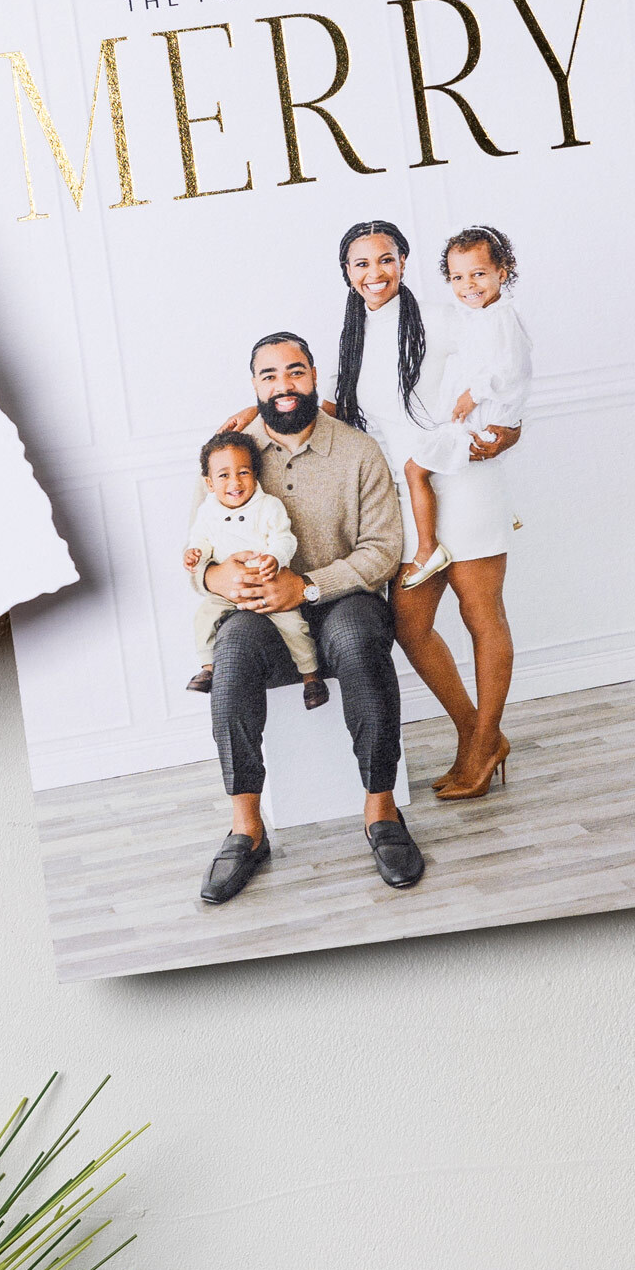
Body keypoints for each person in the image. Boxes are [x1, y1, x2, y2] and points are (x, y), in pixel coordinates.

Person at [194, 332, 426, 907]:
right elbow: (198, 544)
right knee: (235, 651)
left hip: (343, 599)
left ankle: (381, 810)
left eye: (294, 372)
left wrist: (311, 585)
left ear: (314, 374)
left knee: (356, 636)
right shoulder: (231, 455)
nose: (284, 386)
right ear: (255, 385)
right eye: (269, 376)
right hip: (263, 613)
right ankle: (246, 827)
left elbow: (383, 549)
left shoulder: (358, 452)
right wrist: (213, 579)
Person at [397, 225, 532, 588]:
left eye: (479, 274)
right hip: (474, 418)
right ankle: (505, 509)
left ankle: (427, 550)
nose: (468, 285)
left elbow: (512, 368)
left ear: (502, 273)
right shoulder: (478, 316)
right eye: (458, 277)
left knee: (414, 470)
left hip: (483, 422)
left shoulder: (500, 317)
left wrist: (474, 393)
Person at [181, 432, 324, 707]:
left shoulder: (269, 506)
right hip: (229, 590)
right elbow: (201, 540)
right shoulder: (207, 512)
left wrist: (275, 557)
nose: (235, 482)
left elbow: (285, 539)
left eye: (243, 472)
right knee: (204, 616)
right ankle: (208, 666)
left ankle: (311, 677)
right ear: (209, 483)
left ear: (255, 475)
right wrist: (195, 555)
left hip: (269, 586)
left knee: (296, 627)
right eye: (224, 476)